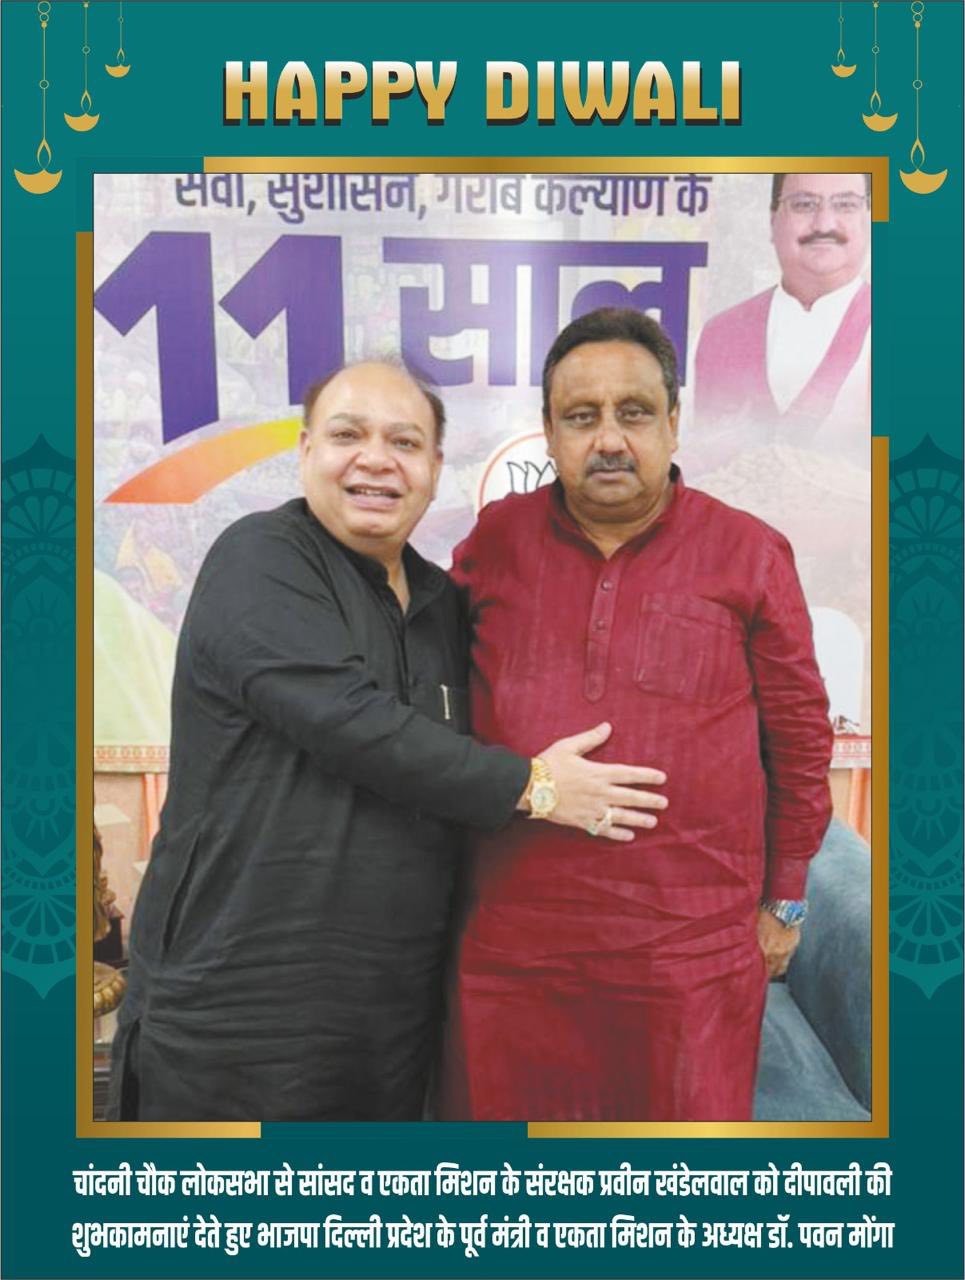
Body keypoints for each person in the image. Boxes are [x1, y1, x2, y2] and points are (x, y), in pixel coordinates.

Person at [106, 359, 668, 1122]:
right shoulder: (260, 558)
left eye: (403, 442)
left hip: (390, 1013)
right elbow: (348, 722)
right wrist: (534, 787)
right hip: (236, 1004)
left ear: (434, 467)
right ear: (306, 451)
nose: (375, 459)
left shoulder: (442, 603)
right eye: (348, 435)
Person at [440, 308, 834, 1122]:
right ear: (549, 433)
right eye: (581, 417)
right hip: (514, 951)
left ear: (673, 423)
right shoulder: (496, 539)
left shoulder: (748, 551)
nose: (609, 440)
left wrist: (784, 900)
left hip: (687, 956)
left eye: (634, 413)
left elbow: (798, 737)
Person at [693, 172, 870, 459]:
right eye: (804, 204)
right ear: (772, 221)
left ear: (868, 219)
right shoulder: (717, 335)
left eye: (845, 205)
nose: (824, 224)